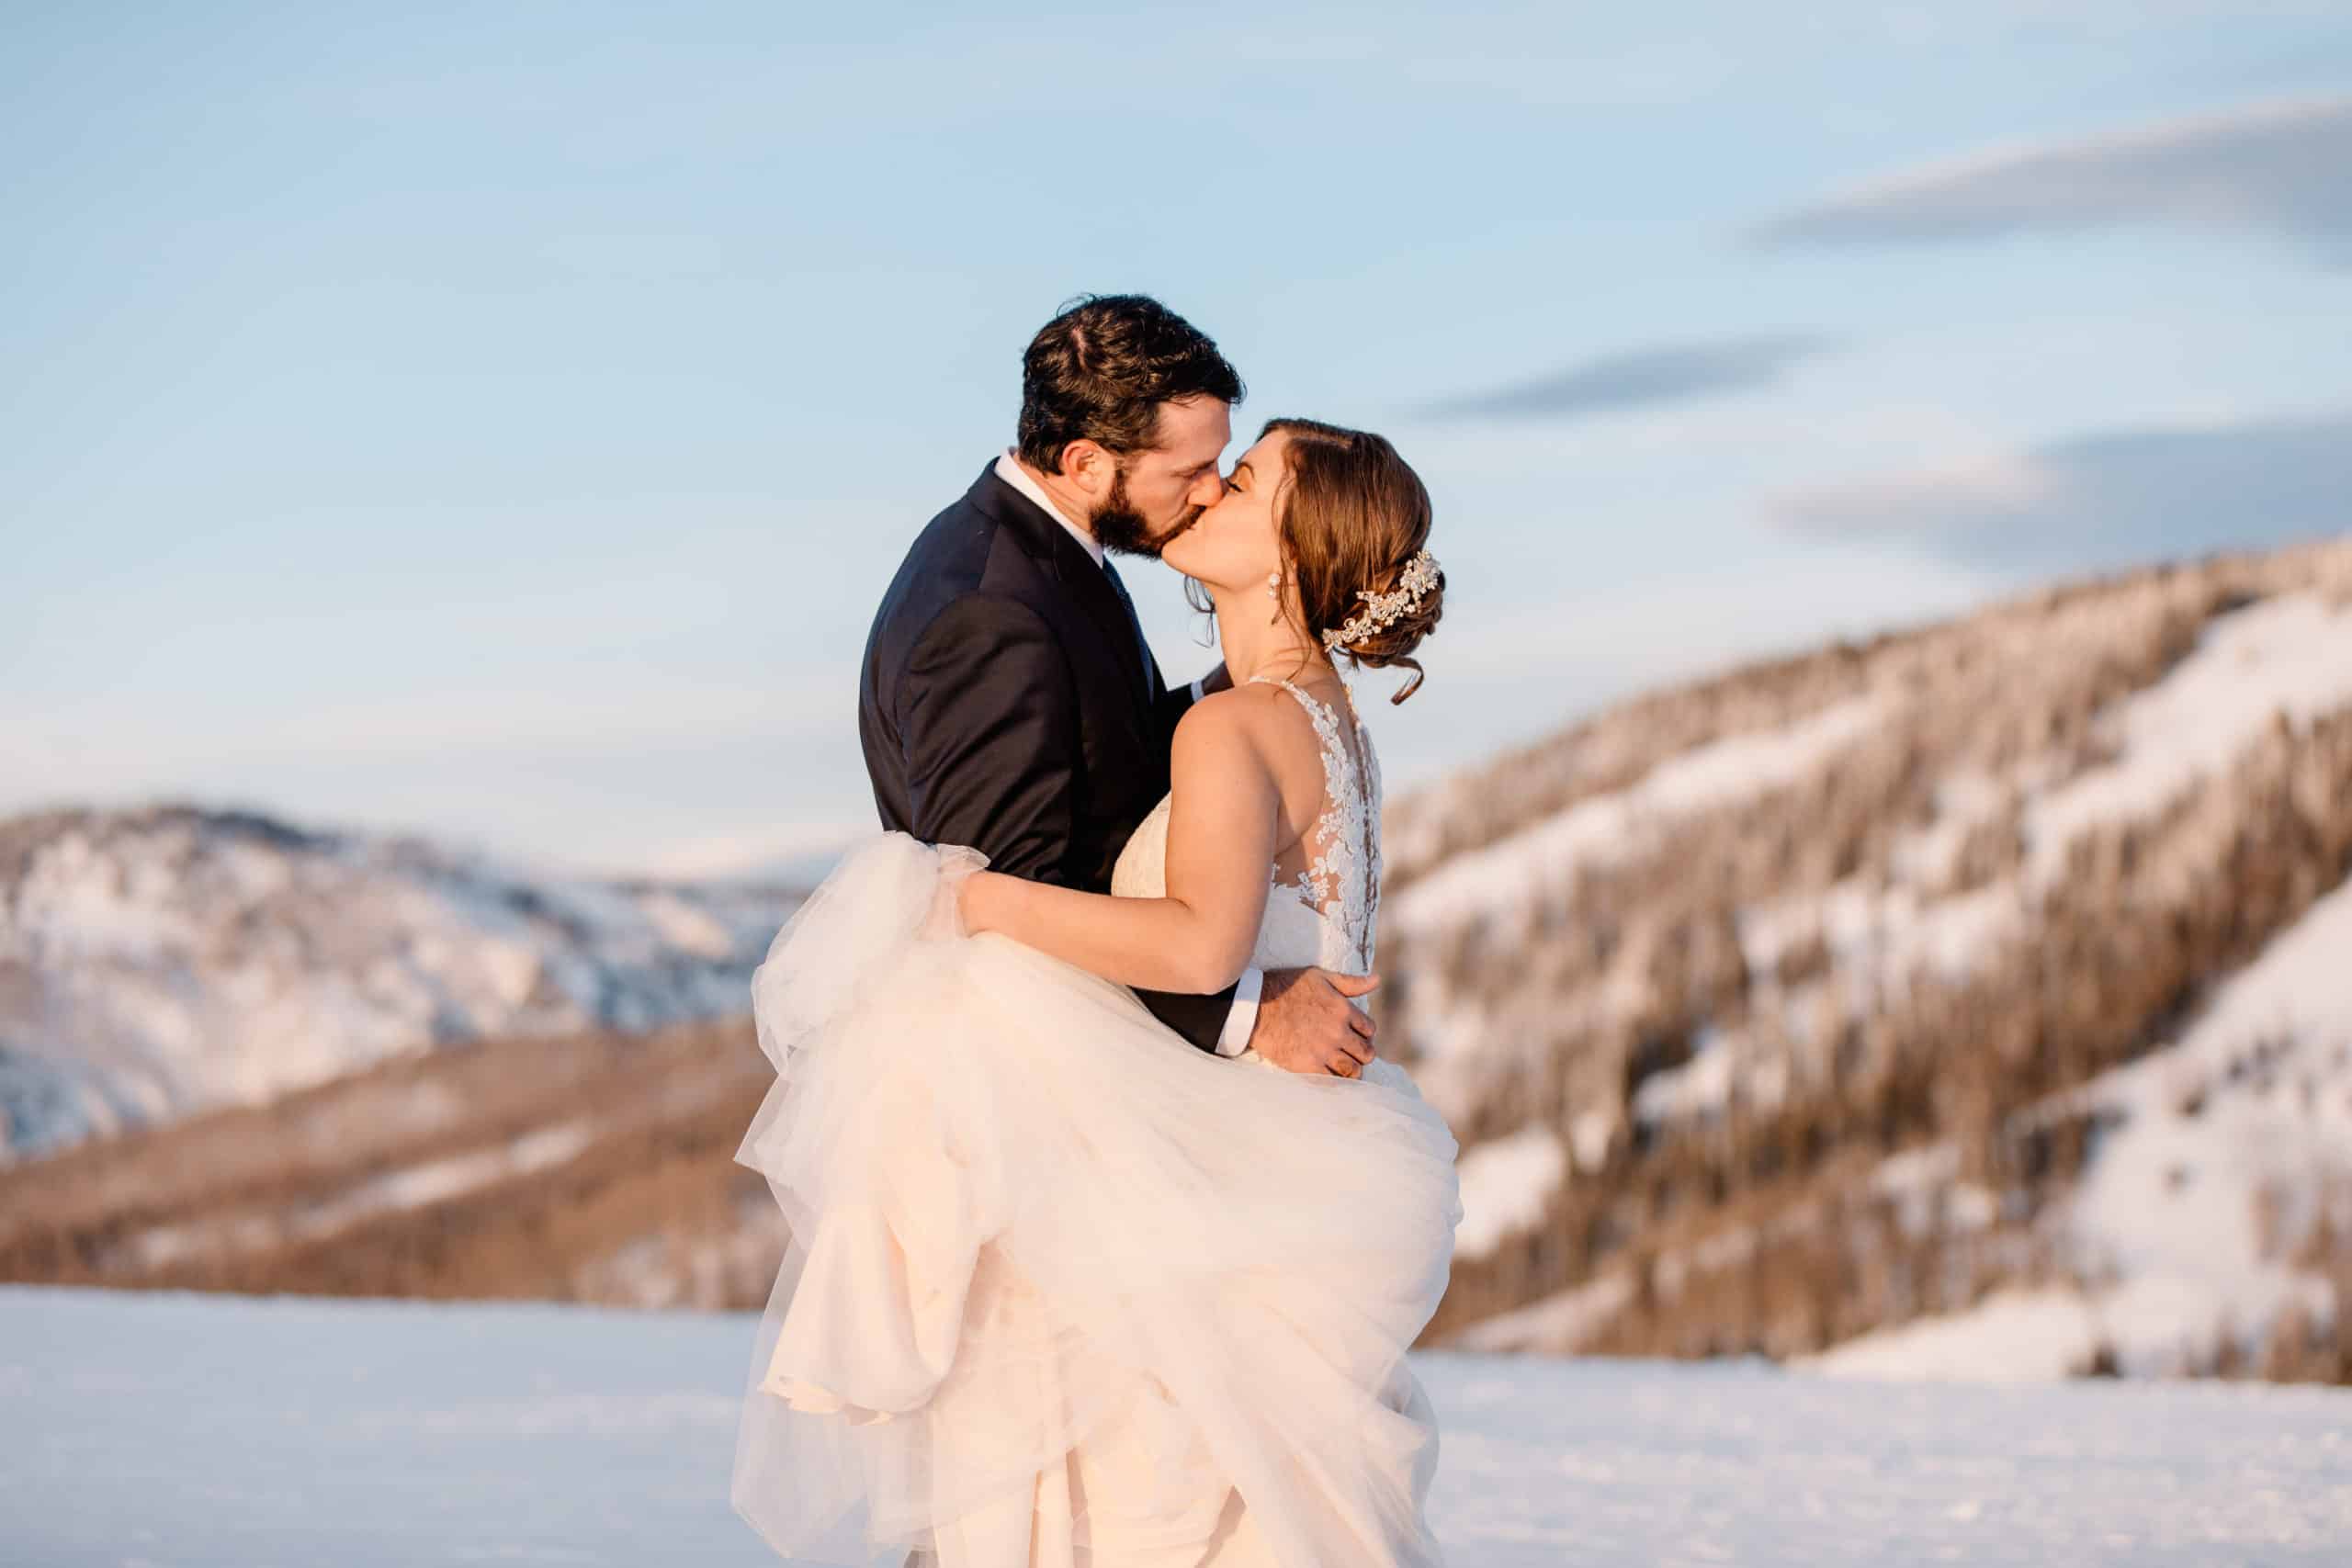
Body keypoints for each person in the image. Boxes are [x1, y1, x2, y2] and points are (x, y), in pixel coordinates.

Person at [731, 296, 1461, 1568]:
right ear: (1088, 464)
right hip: (1135, 1128)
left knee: (1128, 1491)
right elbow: (1029, 886)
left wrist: (959, 903)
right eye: (1195, 473)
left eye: (1233, 478)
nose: (1205, 494)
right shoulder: (997, 608)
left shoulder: (1200, 680)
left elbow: (1032, 889)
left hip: (1187, 1150)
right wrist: (1239, 1002)